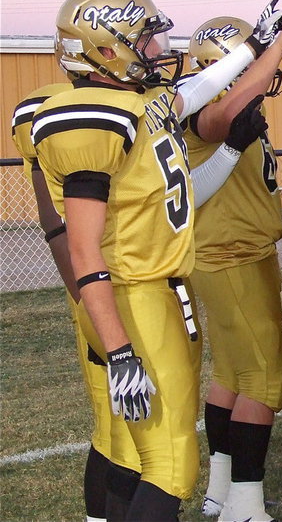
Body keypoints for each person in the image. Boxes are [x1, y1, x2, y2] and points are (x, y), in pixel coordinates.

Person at [32, 0, 282, 520]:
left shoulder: (140, 103)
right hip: (131, 296)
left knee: (132, 450)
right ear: (108, 48)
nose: (160, 50)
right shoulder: (92, 118)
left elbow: (196, 97)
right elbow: (83, 252)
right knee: (172, 463)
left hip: (155, 290)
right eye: (146, 39)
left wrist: (255, 46)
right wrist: (120, 349)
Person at [181, 10, 282, 521]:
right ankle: (246, 506)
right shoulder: (204, 111)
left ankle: (222, 493)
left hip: (245, 250)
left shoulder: (216, 100)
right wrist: (273, 47)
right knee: (262, 376)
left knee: (233, 374)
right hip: (228, 254)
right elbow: (219, 119)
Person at [12, 78, 142, 521]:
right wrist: (87, 299)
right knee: (115, 431)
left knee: (123, 429)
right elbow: (57, 224)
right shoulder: (53, 105)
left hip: (120, 279)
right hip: (99, 286)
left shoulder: (124, 101)